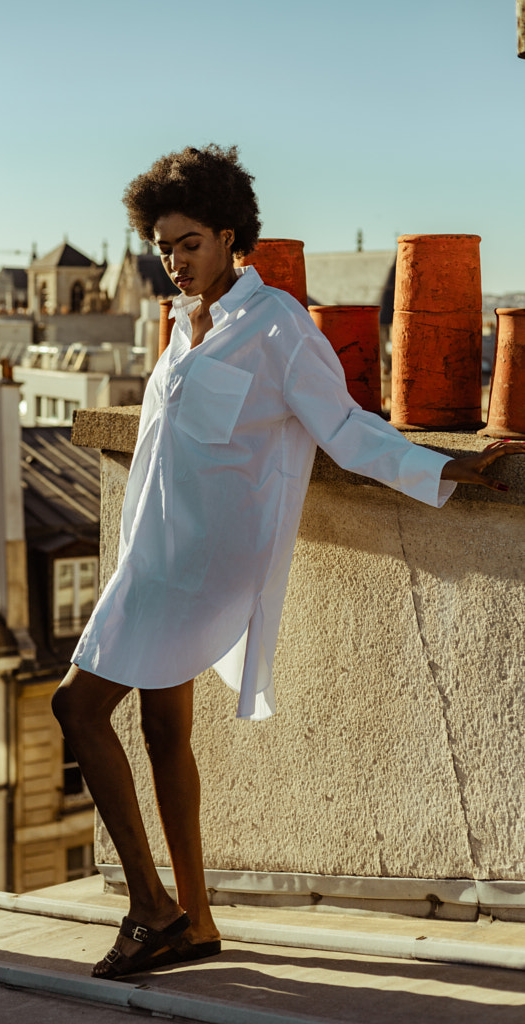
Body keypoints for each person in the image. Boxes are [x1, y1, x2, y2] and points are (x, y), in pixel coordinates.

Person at [52, 144, 524, 980]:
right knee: (162, 731)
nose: (174, 259)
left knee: (76, 709)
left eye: (189, 242)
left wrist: (443, 467)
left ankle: (149, 907)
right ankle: (192, 919)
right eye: (163, 245)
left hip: (196, 567)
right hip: (150, 553)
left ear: (231, 237)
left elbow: (343, 428)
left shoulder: (277, 327)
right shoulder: (181, 319)